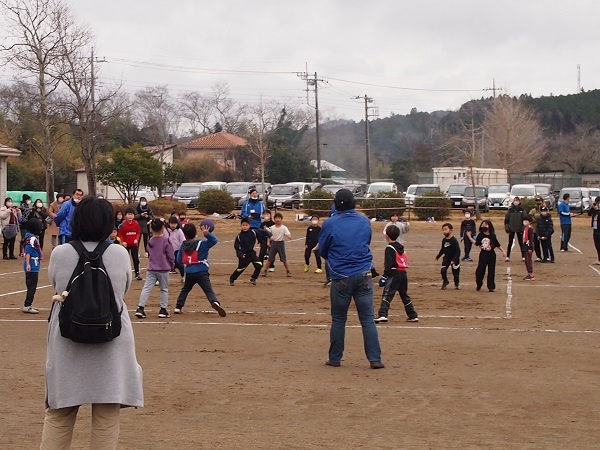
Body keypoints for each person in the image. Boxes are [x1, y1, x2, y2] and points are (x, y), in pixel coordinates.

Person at [41, 195, 143, 449]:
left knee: (59, 413)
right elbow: (124, 289)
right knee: (106, 414)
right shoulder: (119, 254)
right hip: (111, 339)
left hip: (68, 339)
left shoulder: (60, 253)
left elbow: (57, 285)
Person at [319, 189, 384, 369]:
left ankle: (335, 358)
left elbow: (323, 249)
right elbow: (366, 241)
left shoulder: (330, 223)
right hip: (364, 274)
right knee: (368, 319)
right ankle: (375, 359)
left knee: (339, 319)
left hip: (341, 276)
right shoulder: (364, 221)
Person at [174, 223, 226, 316]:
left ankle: (178, 307)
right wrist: (207, 234)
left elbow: (179, 260)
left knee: (185, 289)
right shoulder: (201, 244)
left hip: (189, 272)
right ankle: (214, 302)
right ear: (196, 233)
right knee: (208, 290)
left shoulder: (183, 246)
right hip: (201, 271)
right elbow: (214, 240)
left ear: (184, 234)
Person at [374, 225, 418, 323]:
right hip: (403, 273)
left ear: (387, 236)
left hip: (394, 273)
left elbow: (389, 264)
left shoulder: (389, 248)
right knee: (404, 295)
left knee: (387, 294)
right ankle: (412, 315)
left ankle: (382, 314)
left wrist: (384, 276)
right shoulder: (401, 247)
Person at [135, 219, 174, 319]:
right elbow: (170, 255)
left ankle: (140, 307)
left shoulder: (150, 241)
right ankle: (163, 309)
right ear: (162, 228)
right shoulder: (166, 240)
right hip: (163, 268)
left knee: (147, 288)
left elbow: (149, 253)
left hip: (152, 268)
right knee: (164, 289)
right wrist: (171, 264)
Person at [466, 220, 507, 292]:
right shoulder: (480, 235)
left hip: (491, 255)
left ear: (489, 226)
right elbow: (477, 243)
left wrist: (503, 251)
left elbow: (497, 244)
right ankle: (479, 284)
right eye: (482, 225)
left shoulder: (492, 235)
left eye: (486, 225)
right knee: (480, 270)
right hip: (483, 254)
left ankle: (491, 287)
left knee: (491, 271)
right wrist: (469, 237)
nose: (484, 226)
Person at [229, 217, 271, 285]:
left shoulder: (253, 232)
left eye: (246, 225)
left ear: (249, 226)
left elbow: (262, 231)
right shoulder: (239, 236)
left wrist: (269, 235)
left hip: (251, 253)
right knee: (240, 269)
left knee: (259, 265)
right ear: (241, 226)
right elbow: (237, 247)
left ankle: (253, 278)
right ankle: (232, 278)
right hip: (244, 255)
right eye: (243, 225)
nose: (245, 227)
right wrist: (240, 254)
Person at [21, 218, 43, 314]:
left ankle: (28, 304)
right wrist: (29, 264)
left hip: (33, 265)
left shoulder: (29, 237)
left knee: (31, 286)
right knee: (32, 287)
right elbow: (28, 252)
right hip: (32, 266)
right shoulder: (32, 239)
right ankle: (27, 305)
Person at [262, 212, 292, 277]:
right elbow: (269, 236)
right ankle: (265, 270)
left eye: (279, 218)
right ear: (274, 219)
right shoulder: (272, 228)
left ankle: (288, 271)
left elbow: (288, 233)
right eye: (276, 218)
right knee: (270, 258)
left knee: (283, 259)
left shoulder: (284, 227)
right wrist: (268, 242)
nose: (277, 220)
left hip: (280, 243)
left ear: (281, 219)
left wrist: (289, 236)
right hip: (274, 243)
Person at [118, 208, 142, 280]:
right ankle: (125, 273)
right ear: (125, 216)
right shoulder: (123, 224)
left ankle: (137, 273)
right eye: (128, 214)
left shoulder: (136, 223)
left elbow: (138, 232)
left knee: (135, 259)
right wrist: (122, 242)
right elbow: (120, 234)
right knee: (126, 259)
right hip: (126, 245)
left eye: (131, 214)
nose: (130, 216)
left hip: (134, 245)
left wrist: (136, 239)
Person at [435, 223, 461, 290]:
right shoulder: (444, 240)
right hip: (447, 257)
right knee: (443, 270)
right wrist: (438, 256)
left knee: (455, 273)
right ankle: (445, 281)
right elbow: (442, 249)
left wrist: (454, 260)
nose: (444, 231)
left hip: (454, 258)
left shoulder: (454, 241)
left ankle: (456, 283)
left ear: (451, 230)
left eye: (446, 229)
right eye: (443, 230)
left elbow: (458, 251)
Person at [504, 196, 525, 262]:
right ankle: (508, 256)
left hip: (519, 229)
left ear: (519, 201)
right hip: (511, 229)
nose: (516, 201)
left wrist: (523, 229)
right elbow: (506, 220)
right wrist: (507, 229)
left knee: (521, 243)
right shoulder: (510, 210)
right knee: (510, 243)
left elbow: (525, 220)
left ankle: (523, 256)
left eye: (517, 200)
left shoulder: (522, 210)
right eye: (515, 200)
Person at [167, 216, 186, 282]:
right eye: (172, 223)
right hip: (168, 251)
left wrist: (181, 250)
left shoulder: (179, 231)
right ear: (169, 223)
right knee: (165, 265)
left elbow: (182, 241)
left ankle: (183, 276)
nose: (173, 225)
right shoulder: (166, 231)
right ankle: (159, 279)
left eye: (175, 224)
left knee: (180, 264)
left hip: (177, 251)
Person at [529, 196, 545, 262]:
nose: (538, 202)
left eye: (539, 201)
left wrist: (538, 218)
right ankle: (539, 256)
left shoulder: (544, 209)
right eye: (537, 201)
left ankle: (546, 256)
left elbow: (546, 217)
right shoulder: (533, 210)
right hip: (535, 229)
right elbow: (529, 217)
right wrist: (535, 219)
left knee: (544, 244)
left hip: (543, 229)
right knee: (536, 244)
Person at [522, 214, 535, 280]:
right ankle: (529, 273)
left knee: (528, 260)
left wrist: (530, 247)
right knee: (526, 260)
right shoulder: (526, 228)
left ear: (529, 222)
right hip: (525, 244)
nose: (524, 222)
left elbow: (531, 239)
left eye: (526, 220)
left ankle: (531, 274)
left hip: (528, 245)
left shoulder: (530, 229)